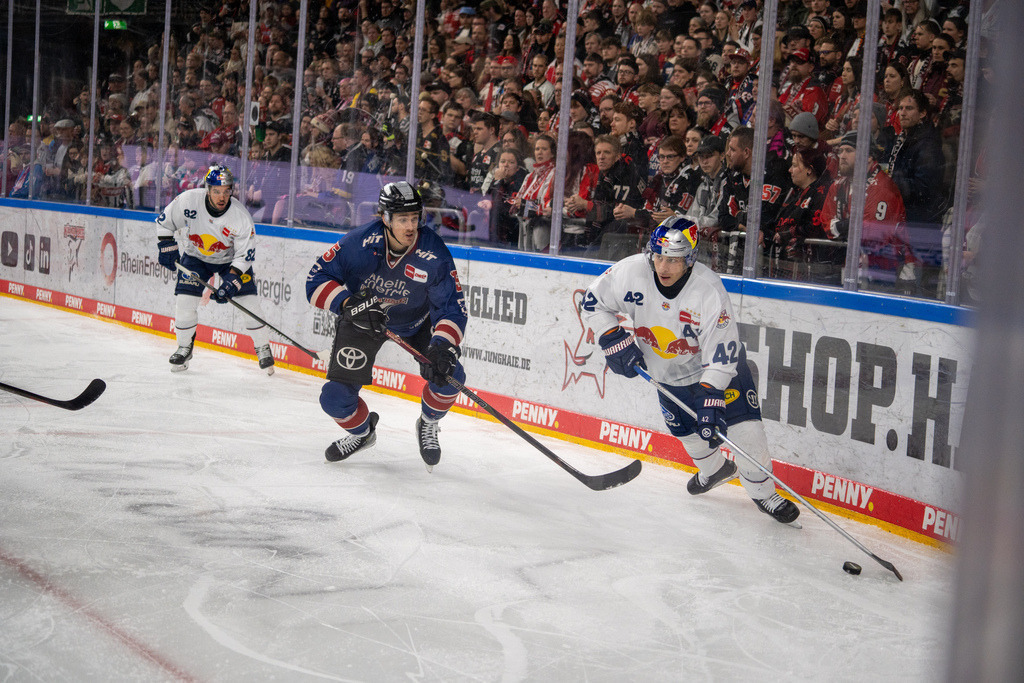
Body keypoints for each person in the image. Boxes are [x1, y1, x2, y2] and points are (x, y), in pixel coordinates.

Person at [581, 217, 800, 525]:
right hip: (667, 374)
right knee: (691, 437)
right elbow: (591, 302)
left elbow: (723, 348)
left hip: (718, 373)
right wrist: (609, 336)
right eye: (659, 257)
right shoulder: (630, 272)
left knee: (747, 434)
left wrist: (711, 393)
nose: (663, 267)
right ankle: (715, 471)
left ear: (691, 258)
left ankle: (764, 493)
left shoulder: (707, 289)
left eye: (673, 260)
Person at [305, 182, 468, 468]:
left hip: (416, 323)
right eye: (402, 219)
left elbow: (451, 307)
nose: (410, 226)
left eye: (415, 218)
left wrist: (442, 347)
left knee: (450, 375)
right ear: (385, 218)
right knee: (334, 398)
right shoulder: (358, 243)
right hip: (363, 321)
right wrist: (347, 305)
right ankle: (363, 433)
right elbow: (316, 280)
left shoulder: (435, 252)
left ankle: (428, 422)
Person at [155, 164, 275, 374]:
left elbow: (244, 256)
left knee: (250, 304)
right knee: (184, 302)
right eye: (217, 191)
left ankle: (262, 347)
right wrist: (167, 246)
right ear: (208, 189)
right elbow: (164, 223)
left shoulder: (241, 217)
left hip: (231, 261)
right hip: (195, 257)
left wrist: (232, 281)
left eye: (226, 191)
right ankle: (184, 347)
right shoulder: (188, 200)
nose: (222, 197)